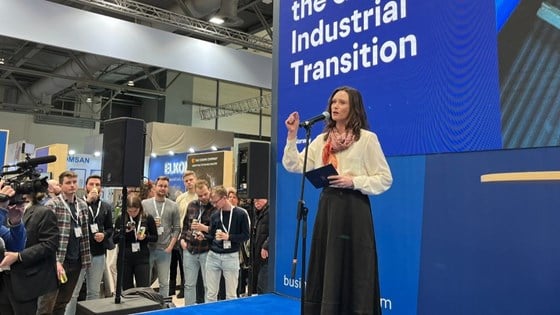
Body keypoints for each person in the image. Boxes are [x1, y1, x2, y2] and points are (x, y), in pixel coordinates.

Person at [283, 86, 393, 315]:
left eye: (342, 102)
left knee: (355, 265)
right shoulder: (322, 141)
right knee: (328, 264)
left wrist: (353, 181)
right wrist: (292, 135)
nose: (335, 106)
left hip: (354, 209)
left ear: (354, 107)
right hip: (329, 208)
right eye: (333, 102)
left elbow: (384, 179)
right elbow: (294, 165)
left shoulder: (367, 139)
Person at [39, 171, 92, 315]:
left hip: (76, 260)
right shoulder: (52, 205)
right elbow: (46, 237)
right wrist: (54, 261)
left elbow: (84, 234)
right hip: (57, 261)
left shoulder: (83, 205)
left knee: (63, 302)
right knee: (46, 304)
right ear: (61, 185)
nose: (72, 185)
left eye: (74, 182)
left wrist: (85, 259)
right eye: (68, 183)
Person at [0, 189, 58, 315]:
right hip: (5, 279)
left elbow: (17, 245)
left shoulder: (43, 212)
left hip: (25, 280)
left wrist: (15, 223)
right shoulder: (2, 211)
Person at [65, 175, 114, 315]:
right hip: (80, 253)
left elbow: (110, 228)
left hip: (98, 253)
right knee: (73, 291)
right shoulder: (78, 203)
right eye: (91, 184)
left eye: (97, 184)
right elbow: (73, 223)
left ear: (101, 188)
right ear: (85, 186)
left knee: (94, 291)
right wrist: (87, 201)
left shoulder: (106, 206)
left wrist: (104, 234)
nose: (94, 187)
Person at [205, 185, 250, 302]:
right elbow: (212, 235)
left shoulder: (241, 214)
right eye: (212, 202)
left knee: (231, 295)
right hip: (213, 256)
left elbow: (246, 236)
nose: (214, 205)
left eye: (216, 202)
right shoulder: (215, 215)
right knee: (211, 294)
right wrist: (203, 236)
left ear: (224, 198)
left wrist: (229, 236)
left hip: (231, 256)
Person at [141, 176, 180, 298]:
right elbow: (140, 224)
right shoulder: (145, 204)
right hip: (148, 248)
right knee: (145, 281)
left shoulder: (173, 205)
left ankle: (163, 306)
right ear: (155, 187)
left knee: (164, 282)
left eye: (165, 186)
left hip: (165, 249)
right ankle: (145, 304)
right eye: (160, 186)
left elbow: (177, 228)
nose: (162, 188)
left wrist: (170, 247)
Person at [179, 179, 215, 305]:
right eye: (200, 195)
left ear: (209, 190)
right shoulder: (192, 205)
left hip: (206, 250)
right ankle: (189, 310)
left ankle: (207, 311)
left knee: (207, 285)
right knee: (189, 285)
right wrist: (182, 239)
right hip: (190, 249)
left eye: (205, 194)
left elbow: (217, 230)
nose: (203, 197)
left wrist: (204, 233)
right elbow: (185, 226)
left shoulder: (215, 208)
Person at [113, 194, 158, 290]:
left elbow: (155, 237)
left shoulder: (147, 218)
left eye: (135, 211)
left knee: (143, 289)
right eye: (130, 211)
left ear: (140, 208)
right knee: (127, 289)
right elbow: (114, 239)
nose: (133, 214)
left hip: (142, 258)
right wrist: (124, 232)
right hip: (125, 259)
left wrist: (145, 238)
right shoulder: (121, 219)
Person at [171, 170, 197, 298]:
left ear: (195, 179)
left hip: (199, 238)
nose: (189, 182)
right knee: (184, 267)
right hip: (183, 237)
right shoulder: (180, 198)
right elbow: (176, 218)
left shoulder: (200, 196)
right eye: (186, 181)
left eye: (191, 180)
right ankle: (186, 291)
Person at [250, 198, 269, 294]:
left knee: (263, 285)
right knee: (258, 286)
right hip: (257, 255)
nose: (256, 202)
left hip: (266, 256)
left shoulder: (271, 211)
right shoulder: (256, 213)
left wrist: (266, 245)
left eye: (259, 199)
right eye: (254, 200)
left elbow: (276, 230)